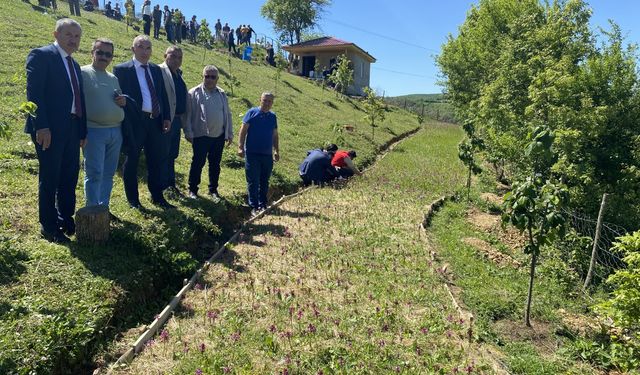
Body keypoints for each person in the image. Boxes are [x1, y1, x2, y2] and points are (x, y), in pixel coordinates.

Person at [25, 18, 87, 243]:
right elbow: (34, 93)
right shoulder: (42, 55)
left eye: (77, 36)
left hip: (72, 127)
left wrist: (82, 131)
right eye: (69, 34)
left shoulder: (75, 64)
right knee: (50, 176)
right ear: (56, 34)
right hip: (49, 128)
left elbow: (79, 99)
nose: (73, 39)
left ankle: (65, 217)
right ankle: (49, 225)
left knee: (70, 175)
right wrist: (41, 125)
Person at [113, 35, 173, 209]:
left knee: (156, 160)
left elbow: (162, 95)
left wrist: (167, 116)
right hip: (135, 122)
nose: (145, 51)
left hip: (155, 121)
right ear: (133, 49)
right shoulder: (122, 69)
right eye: (141, 47)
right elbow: (119, 96)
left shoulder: (156, 69)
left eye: (148, 48)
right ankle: (133, 200)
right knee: (132, 160)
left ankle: (157, 196)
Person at [80, 38, 126, 209]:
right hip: (94, 131)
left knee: (108, 173)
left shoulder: (113, 77)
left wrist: (123, 102)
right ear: (92, 53)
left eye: (108, 54)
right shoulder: (82, 73)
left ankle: (103, 207)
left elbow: (118, 98)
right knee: (94, 172)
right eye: (100, 52)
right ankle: (92, 209)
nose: (103, 57)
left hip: (116, 131)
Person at [184, 65, 233, 201]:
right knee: (198, 163)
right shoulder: (193, 93)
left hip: (219, 136)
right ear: (203, 76)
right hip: (200, 135)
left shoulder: (222, 93)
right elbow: (187, 115)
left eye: (213, 77)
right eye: (207, 76)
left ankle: (213, 190)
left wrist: (229, 133)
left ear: (217, 79)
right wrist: (188, 132)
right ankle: (192, 190)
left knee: (215, 164)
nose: (210, 79)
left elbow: (227, 114)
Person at [237, 92, 279, 216]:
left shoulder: (273, 116)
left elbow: (275, 135)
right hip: (252, 153)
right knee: (253, 180)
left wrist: (276, 150)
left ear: (272, 103)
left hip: (267, 155)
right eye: (265, 100)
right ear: (260, 100)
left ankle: (263, 204)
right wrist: (240, 147)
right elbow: (243, 130)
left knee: (264, 180)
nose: (267, 103)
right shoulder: (252, 113)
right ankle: (254, 206)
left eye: (269, 101)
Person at [159, 46, 188, 196]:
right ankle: (163, 186)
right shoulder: (159, 71)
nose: (176, 59)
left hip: (177, 121)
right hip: (165, 119)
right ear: (165, 55)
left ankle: (170, 185)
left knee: (172, 154)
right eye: (173, 56)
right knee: (163, 153)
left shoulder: (178, 75)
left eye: (179, 57)